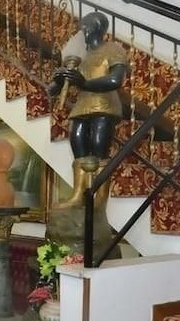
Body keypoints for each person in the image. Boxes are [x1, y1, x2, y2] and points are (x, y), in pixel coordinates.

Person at [47, 11, 129, 209]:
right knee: (78, 146)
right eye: (83, 25)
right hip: (82, 106)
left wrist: (84, 83)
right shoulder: (80, 54)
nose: (83, 29)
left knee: (99, 148)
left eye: (88, 25)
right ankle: (78, 196)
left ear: (99, 28)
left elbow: (115, 80)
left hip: (104, 104)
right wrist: (58, 81)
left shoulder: (113, 49)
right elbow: (52, 91)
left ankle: (100, 199)